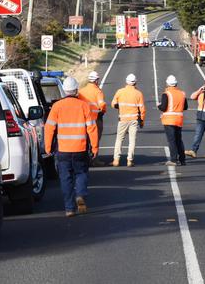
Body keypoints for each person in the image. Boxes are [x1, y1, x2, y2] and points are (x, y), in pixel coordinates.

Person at [44, 76, 99, 217]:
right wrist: (94, 148)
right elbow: (92, 128)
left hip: (63, 150)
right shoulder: (84, 106)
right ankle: (80, 195)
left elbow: (49, 128)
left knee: (65, 178)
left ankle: (69, 209)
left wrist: (48, 147)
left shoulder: (57, 107)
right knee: (81, 174)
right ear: (76, 90)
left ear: (64, 90)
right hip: (80, 149)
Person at [111, 73, 145, 167]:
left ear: (126, 81)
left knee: (119, 139)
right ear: (135, 83)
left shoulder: (120, 91)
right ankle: (129, 160)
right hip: (134, 120)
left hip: (123, 119)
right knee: (132, 140)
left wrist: (119, 106)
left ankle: (116, 160)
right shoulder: (138, 93)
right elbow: (142, 109)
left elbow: (113, 104)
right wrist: (142, 121)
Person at [78, 71, 107, 167]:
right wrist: (103, 110)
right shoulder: (98, 91)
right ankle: (94, 160)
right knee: (95, 139)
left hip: (83, 120)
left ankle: (84, 159)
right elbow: (102, 104)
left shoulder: (81, 91)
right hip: (95, 119)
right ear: (96, 80)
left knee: (85, 140)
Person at [158, 75, 187, 166]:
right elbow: (185, 107)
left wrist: (159, 105)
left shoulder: (166, 94)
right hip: (179, 119)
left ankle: (173, 160)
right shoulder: (182, 93)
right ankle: (182, 159)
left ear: (167, 84)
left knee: (171, 140)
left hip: (169, 120)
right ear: (176, 84)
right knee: (179, 140)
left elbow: (163, 107)